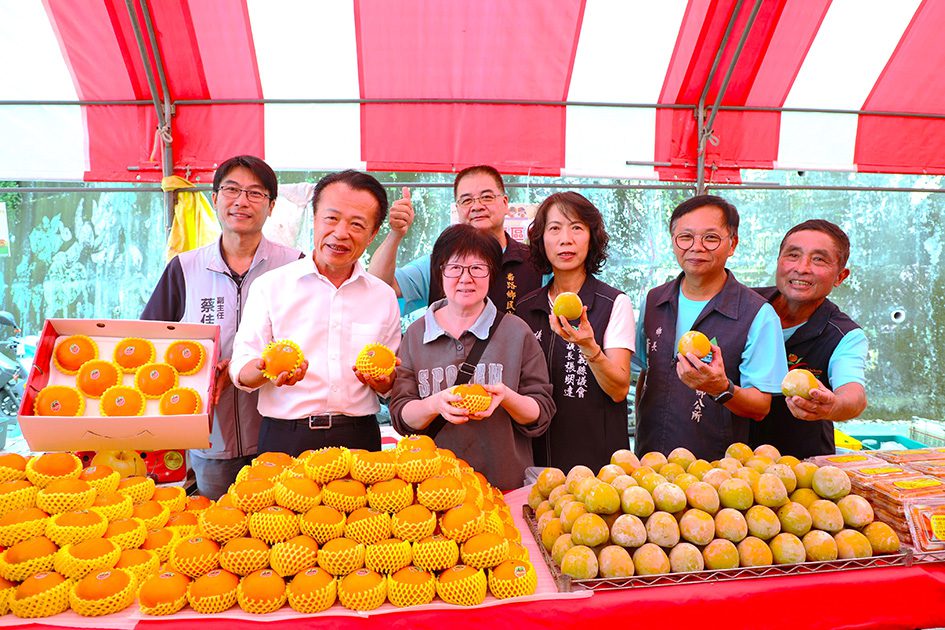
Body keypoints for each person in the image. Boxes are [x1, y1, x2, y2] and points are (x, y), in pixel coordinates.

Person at [142, 155, 302, 499]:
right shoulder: (184, 268)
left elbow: (313, 340)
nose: (242, 201)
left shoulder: (295, 266)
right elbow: (150, 345)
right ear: (214, 198)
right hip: (211, 438)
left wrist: (251, 368)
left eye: (255, 193)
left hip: (282, 434)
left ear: (272, 206)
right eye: (231, 190)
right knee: (218, 521)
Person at [230, 170, 401, 456]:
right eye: (331, 218)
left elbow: (392, 381)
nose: (341, 233)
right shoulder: (271, 286)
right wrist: (267, 369)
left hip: (359, 436)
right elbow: (241, 368)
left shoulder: (382, 296)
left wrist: (385, 381)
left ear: (373, 234)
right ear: (314, 219)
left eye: (357, 224)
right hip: (286, 436)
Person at [389, 224, 555, 490]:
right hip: (433, 491)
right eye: (455, 267)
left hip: (504, 487)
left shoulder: (516, 332)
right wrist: (435, 405)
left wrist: (506, 397)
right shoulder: (416, 334)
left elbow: (541, 412)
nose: (465, 278)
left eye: (477, 268)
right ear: (440, 272)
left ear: (491, 273)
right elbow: (401, 414)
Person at [633, 194, 787, 461]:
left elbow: (760, 406)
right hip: (650, 462)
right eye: (685, 237)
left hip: (715, 471)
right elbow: (645, 376)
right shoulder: (654, 301)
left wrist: (720, 387)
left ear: (732, 244)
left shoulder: (757, 314)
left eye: (711, 238)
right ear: (673, 241)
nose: (697, 247)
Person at [517, 192, 634, 472]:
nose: (565, 239)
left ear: (591, 238)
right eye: (555, 228)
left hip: (599, 468)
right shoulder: (525, 308)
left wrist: (590, 348)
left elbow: (619, 390)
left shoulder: (614, 303)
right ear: (541, 239)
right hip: (536, 464)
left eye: (577, 228)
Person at [750, 220, 867, 458]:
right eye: (793, 255)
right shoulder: (744, 305)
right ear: (778, 261)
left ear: (840, 276)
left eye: (819, 259)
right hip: (727, 461)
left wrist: (833, 405)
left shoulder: (843, 334)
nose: (802, 268)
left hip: (802, 466)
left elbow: (853, 395)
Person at [368, 165, 543, 315]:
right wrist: (396, 234)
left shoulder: (536, 262)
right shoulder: (438, 264)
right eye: (467, 200)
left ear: (505, 203)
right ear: (457, 209)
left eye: (487, 197)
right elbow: (377, 285)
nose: (477, 206)